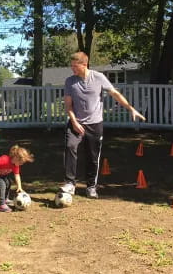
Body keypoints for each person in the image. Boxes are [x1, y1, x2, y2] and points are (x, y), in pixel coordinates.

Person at [61, 52, 145, 198]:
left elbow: (115, 94)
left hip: (95, 124)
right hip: (76, 122)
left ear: (84, 64)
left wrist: (130, 108)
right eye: (71, 66)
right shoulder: (70, 81)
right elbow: (68, 105)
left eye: (75, 66)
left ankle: (91, 187)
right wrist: (74, 122)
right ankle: (70, 183)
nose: (72, 69)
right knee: (70, 146)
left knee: (92, 156)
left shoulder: (98, 77)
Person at [0, 145, 34, 212]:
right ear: (16, 158)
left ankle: (5, 199)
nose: (21, 164)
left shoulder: (16, 165)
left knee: (8, 183)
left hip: (2, 174)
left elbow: (17, 175)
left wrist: (19, 187)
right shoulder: (5, 159)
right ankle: (2, 205)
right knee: (2, 185)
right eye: (21, 162)